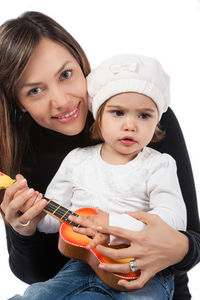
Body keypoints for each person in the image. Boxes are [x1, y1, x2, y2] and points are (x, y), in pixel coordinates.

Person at [0, 11, 199, 300]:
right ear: (18, 102)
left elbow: (190, 234)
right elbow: (37, 275)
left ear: (82, 63)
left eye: (66, 75)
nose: (62, 101)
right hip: (77, 282)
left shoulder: (144, 115)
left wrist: (172, 245)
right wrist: (24, 229)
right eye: (35, 91)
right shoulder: (25, 150)